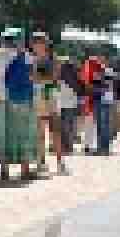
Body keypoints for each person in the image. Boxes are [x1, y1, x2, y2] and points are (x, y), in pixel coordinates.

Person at [0, 27, 38, 180]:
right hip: (24, 98)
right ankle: (25, 169)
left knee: (4, 133)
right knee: (24, 133)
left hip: (3, 98)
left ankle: (4, 170)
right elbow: (32, 77)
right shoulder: (27, 56)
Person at [29, 32, 67, 175]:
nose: (36, 45)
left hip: (50, 96)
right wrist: (44, 78)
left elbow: (53, 78)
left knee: (55, 131)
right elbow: (33, 78)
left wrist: (40, 78)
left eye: (39, 42)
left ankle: (60, 163)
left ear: (45, 44)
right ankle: (41, 163)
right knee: (39, 133)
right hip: (39, 96)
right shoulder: (33, 59)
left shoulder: (53, 59)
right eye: (35, 42)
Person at [56, 57, 83, 162]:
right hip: (70, 103)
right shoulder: (74, 76)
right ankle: (68, 146)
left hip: (64, 103)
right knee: (70, 125)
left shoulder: (63, 76)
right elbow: (80, 89)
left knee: (65, 125)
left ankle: (66, 146)